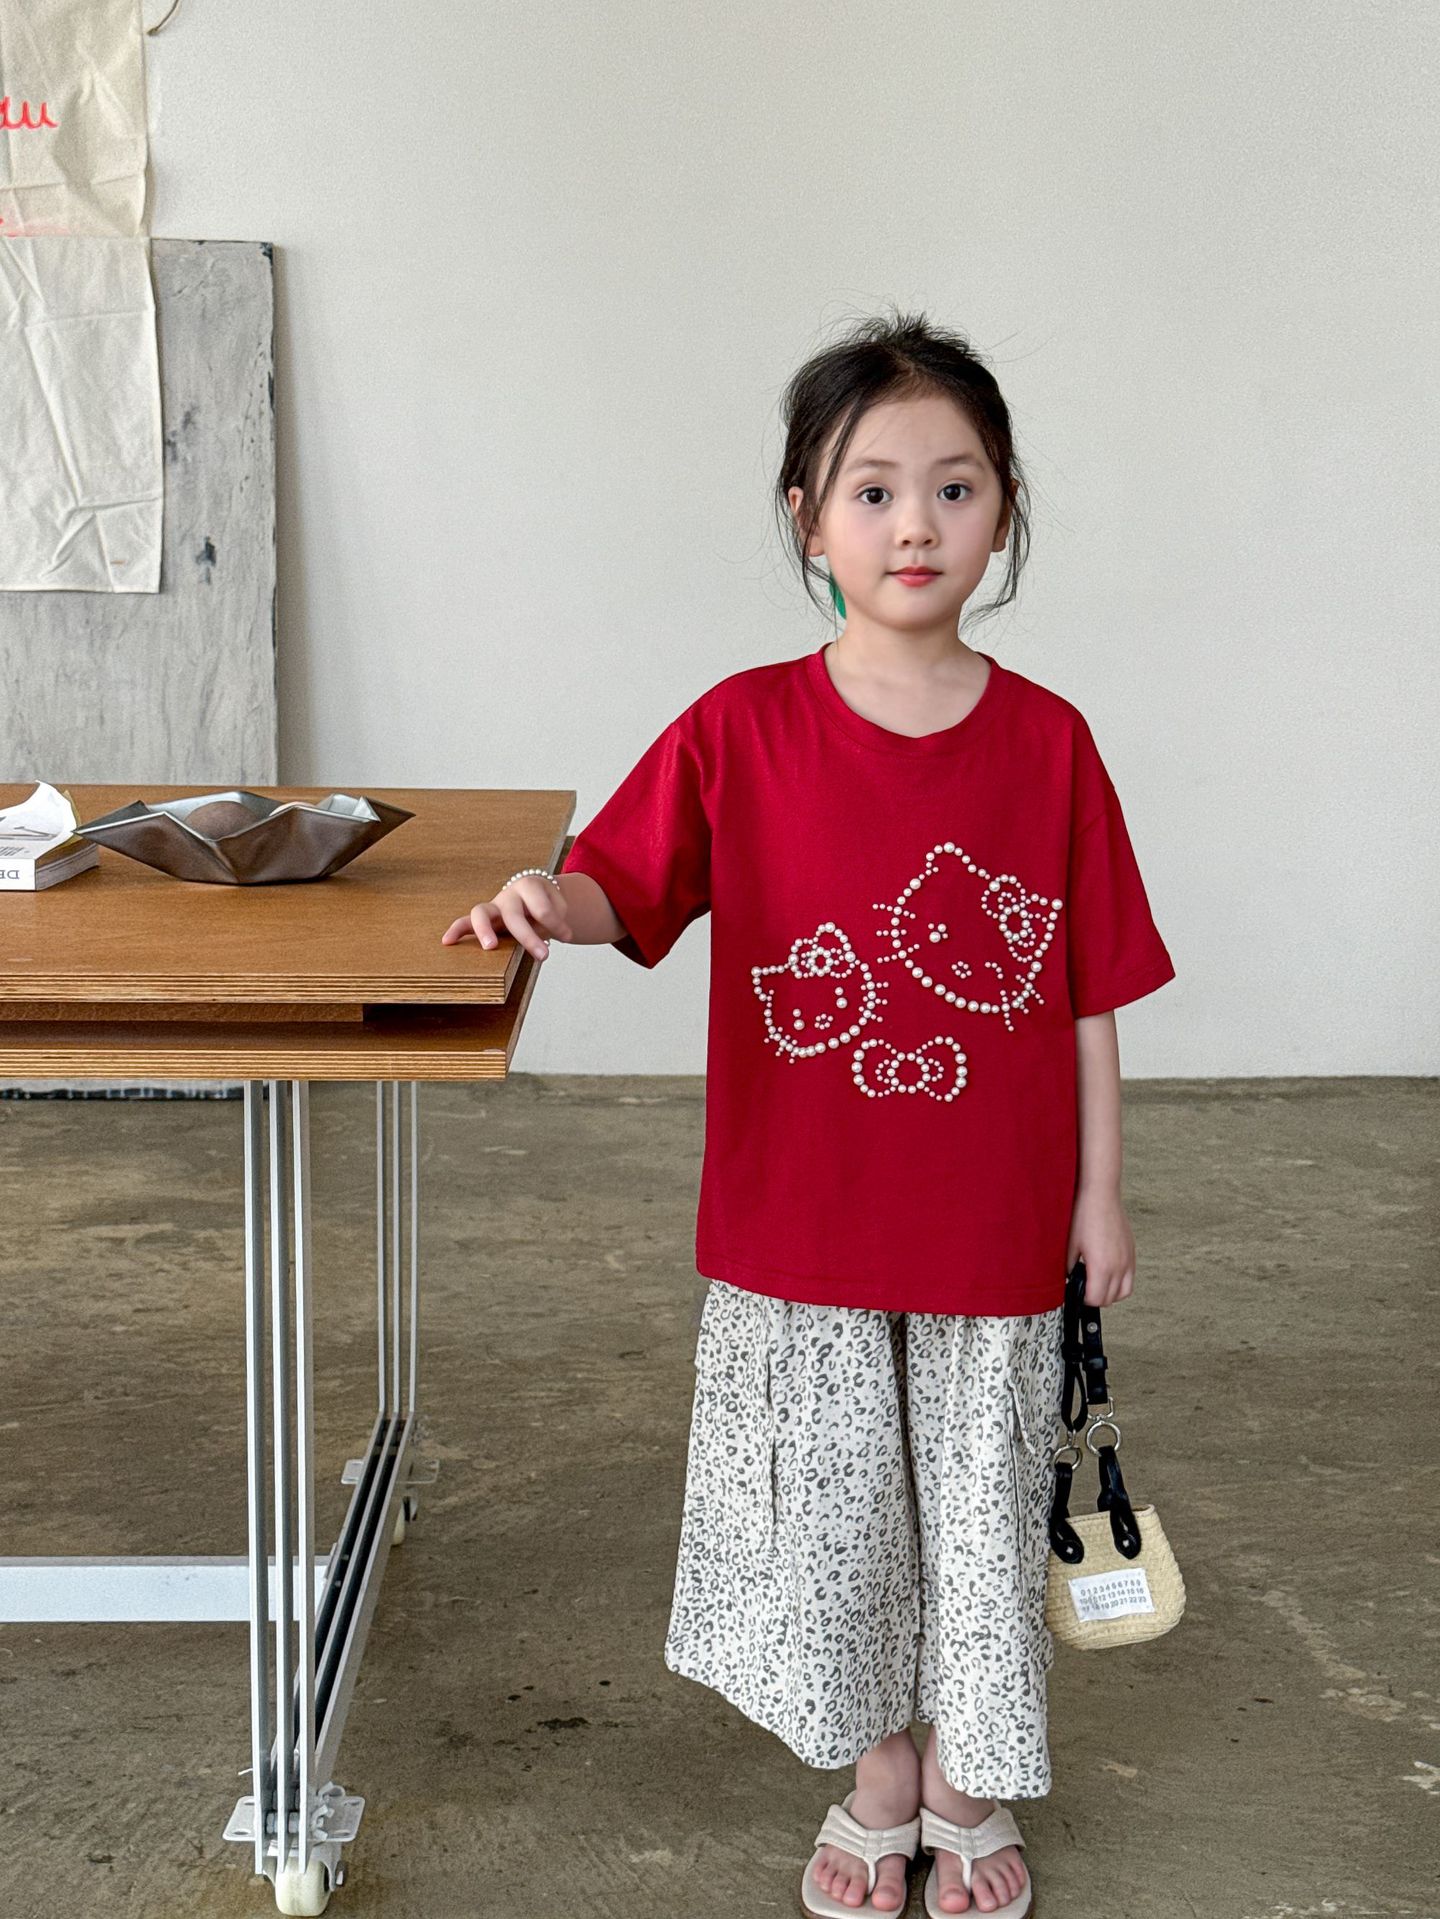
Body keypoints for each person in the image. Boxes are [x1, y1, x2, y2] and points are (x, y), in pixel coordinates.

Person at [441, 309, 1176, 1919]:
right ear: (807, 518)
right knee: (833, 1530)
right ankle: (880, 1775)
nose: (916, 525)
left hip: (993, 1231)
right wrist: (547, 904)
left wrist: (1101, 1194)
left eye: (957, 488)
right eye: (874, 491)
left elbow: (1090, 993)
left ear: (1005, 511)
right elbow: (624, 882)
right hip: (802, 1226)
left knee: (979, 1522)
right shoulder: (740, 727)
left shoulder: (1050, 745)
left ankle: (971, 1783)